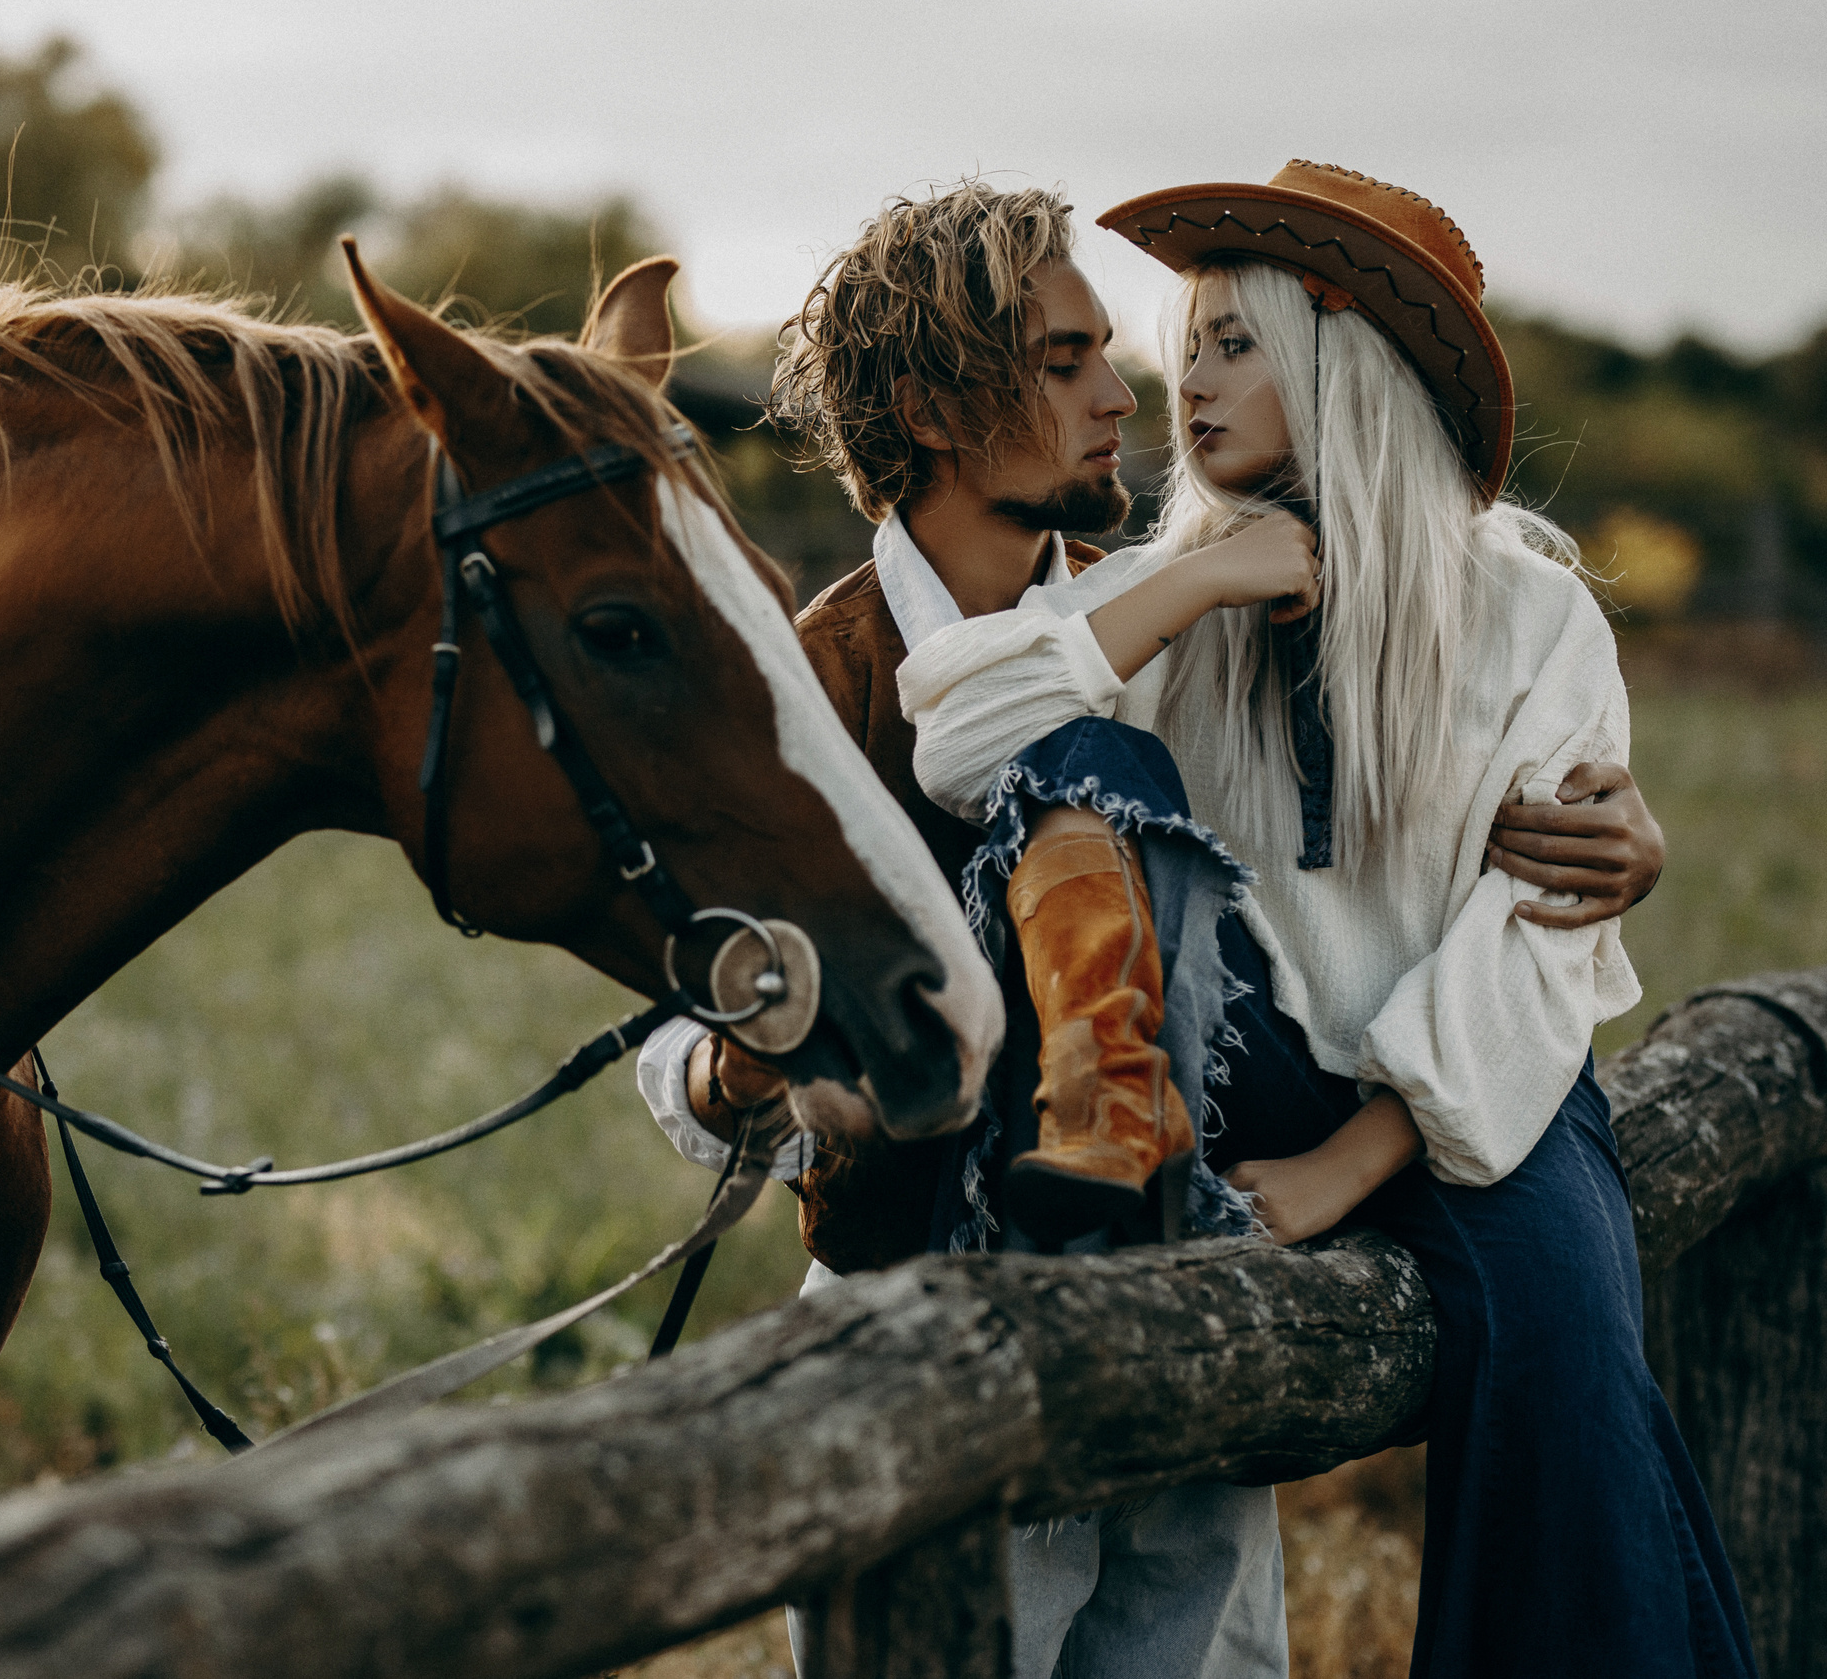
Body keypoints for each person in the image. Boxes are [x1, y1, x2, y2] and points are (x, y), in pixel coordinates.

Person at [636, 173, 1674, 1678]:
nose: (1133, 394)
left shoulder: (1151, 609)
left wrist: (1623, 848)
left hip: (1189, 1295)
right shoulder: (815, 686)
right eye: (1070, 363)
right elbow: (690, 1042)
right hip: (937, 1322)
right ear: (932, 409)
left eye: (1151, 352)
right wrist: (748, 1064)